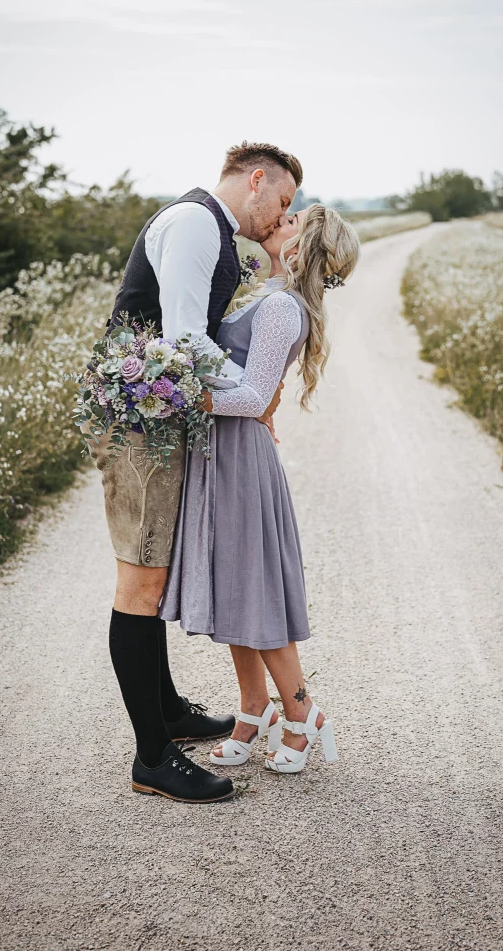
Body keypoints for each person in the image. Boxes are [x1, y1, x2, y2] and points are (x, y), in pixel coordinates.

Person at [94, 142, 303, 803]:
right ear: (257, 179)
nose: (280, 215)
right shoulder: (192, 224)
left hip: (159, 415)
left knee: (152, 576)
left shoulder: (212, 231)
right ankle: (152, 757)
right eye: (283, 200)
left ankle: (170, 712)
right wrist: (252, 393)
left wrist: (248, 397)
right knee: (140, 582)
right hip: (139, 422)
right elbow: (185, 337)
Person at [160, 203, 360, 775]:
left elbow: (250, 399)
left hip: (238, 460)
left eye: (295, 220)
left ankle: (301, 714)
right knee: (233, 590)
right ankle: (253, 710)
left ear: (301, 248)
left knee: (256, 590)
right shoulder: (266, 295)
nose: (283, 216)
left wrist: (176, 395)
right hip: (220, 454)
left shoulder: (278, 307)